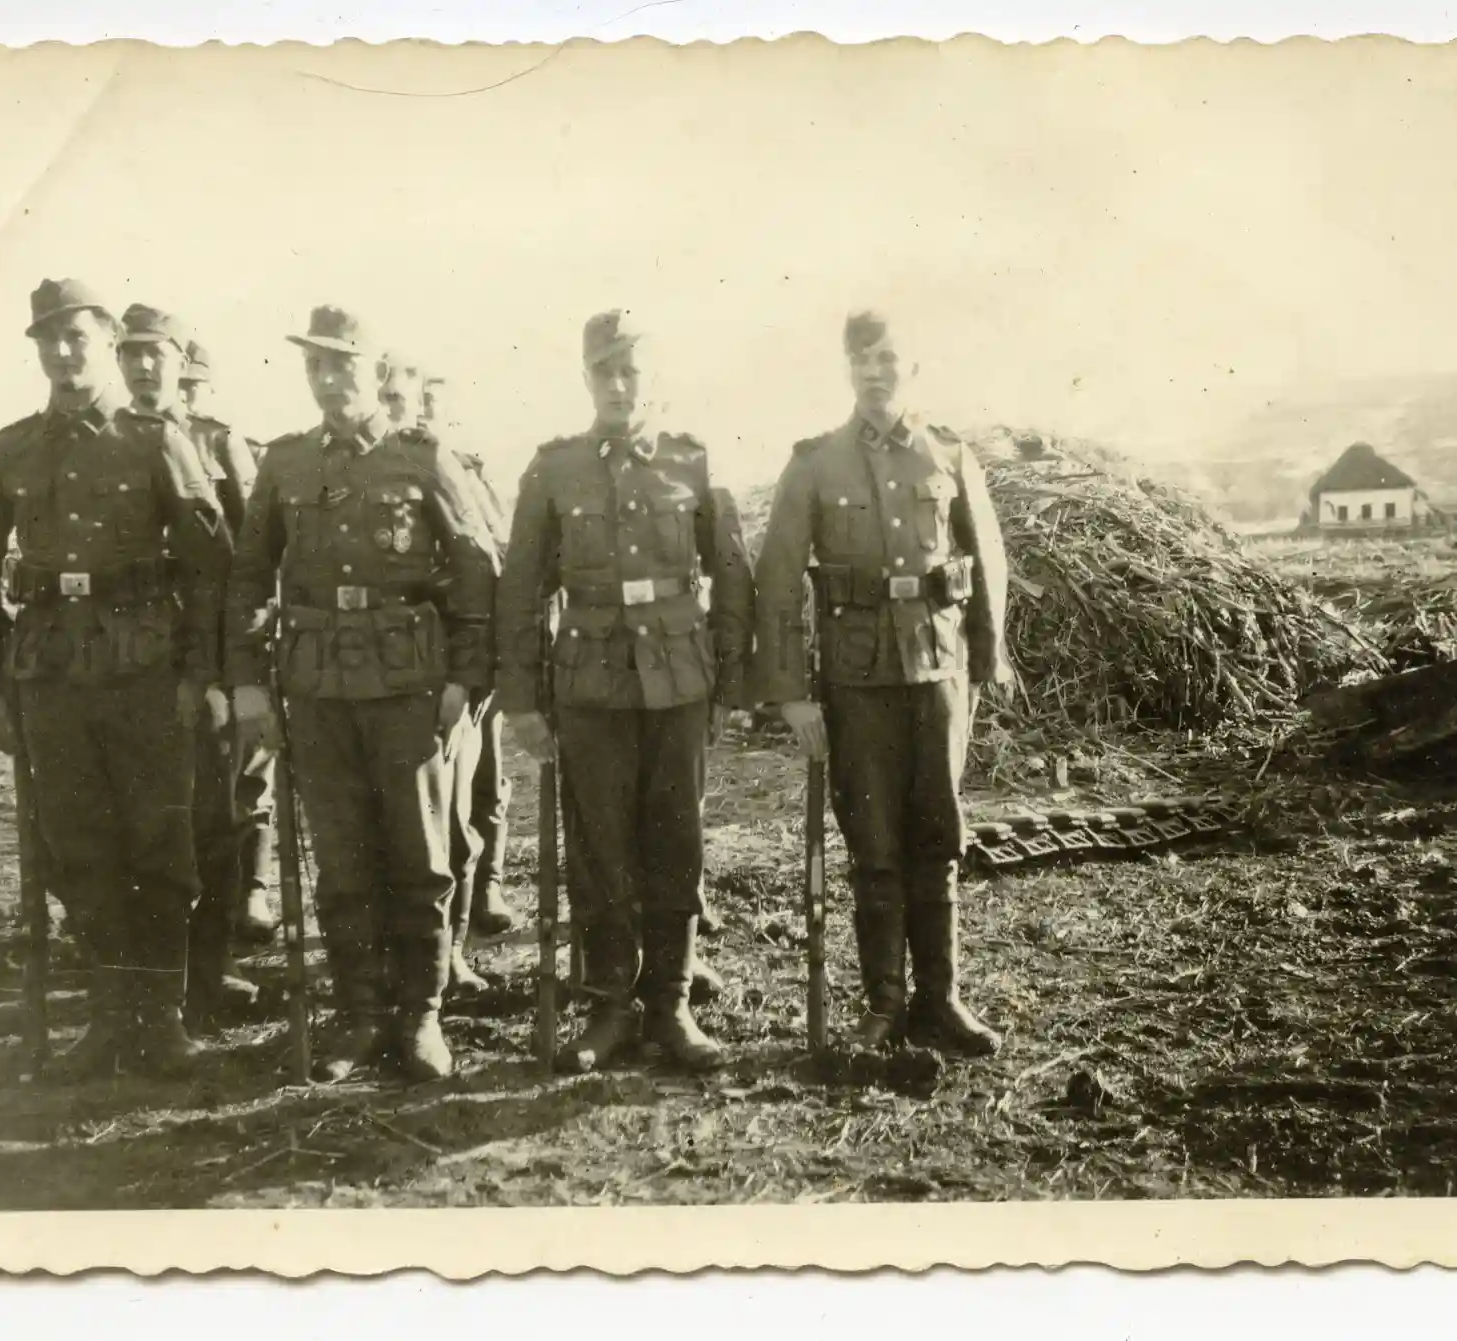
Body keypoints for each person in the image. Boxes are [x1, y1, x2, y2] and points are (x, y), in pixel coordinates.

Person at [0, 278, 231, 1081]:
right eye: (49, 340)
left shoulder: (154, 438)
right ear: (37, 350)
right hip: (48, 675)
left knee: (158, 842)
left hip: (146, 675)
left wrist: (202, 673)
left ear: (106, 341)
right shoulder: (12, 448)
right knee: (78, 844)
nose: (63, 352)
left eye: (77, 337)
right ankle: (112, 1021)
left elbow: (211, 567)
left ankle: (162, 1017)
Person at [228, 307, 499, 1083]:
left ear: (373, 370)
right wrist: (248, 681)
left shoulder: (422, 455)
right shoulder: (283, 463)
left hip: (407, 687)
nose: (327, 378)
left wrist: (462, 680)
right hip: (316, 688)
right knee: (342, 860)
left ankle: (420, 1014)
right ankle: (358, 1012)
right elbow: (249, 575)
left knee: (420, 857)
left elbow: (477, 567)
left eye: (341, 364)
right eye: (315, 365)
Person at [494, 310, 753, 1074]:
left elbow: (730, 574)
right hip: (590, 688)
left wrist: (732, 685)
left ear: (653, 379)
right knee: (599, 848)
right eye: (603, 371)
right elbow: (519, 591)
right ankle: (609, 1005)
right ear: (585, 380)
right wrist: (521, 700)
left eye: (630, 371)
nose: (617, 385)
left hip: (678, 684)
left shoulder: (694, 462)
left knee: (676, 840)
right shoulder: (553, 469)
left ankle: (669, 1004)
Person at [750, 310, 1013, 1057]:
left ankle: (940, 999)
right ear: (846, 369)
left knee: (938, 832)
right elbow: (775, 584)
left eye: (888, 358)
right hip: (855, 678)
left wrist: (987, 660)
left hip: (937, 670)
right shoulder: (814, 464)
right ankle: (885, 1006)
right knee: (874, 842)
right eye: (859, 360)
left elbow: (985, 559)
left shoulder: (949, 454)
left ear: (914, 367)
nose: (874, 372)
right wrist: (792, 692)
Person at [115, 304, 267, 1033]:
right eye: (131, 353)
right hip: (128, 664)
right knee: (139, 827)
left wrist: (225, 672)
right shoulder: (110, 442)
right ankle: (147, 985)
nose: (144, 367)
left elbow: (244, 564)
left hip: (200, 664)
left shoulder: (216, 441)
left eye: (157, 354)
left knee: (212, 821)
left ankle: (210, 973)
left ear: (179, 362)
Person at [175, 333, 283, 951]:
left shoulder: (222, 443)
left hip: (227, 640)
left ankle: (254, 888)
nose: (185, 398)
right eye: (179, 384)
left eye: (195, 386)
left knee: (243, 775)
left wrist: (246, 644)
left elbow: (254, 552)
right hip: (167, 643)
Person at [420, 376, 523, 952]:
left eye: (436, 406)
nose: (422, 416)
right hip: (411, 656)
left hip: (471, 657)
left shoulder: (467, 476)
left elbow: (499, 559)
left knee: (479, 784)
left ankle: (487, 887)